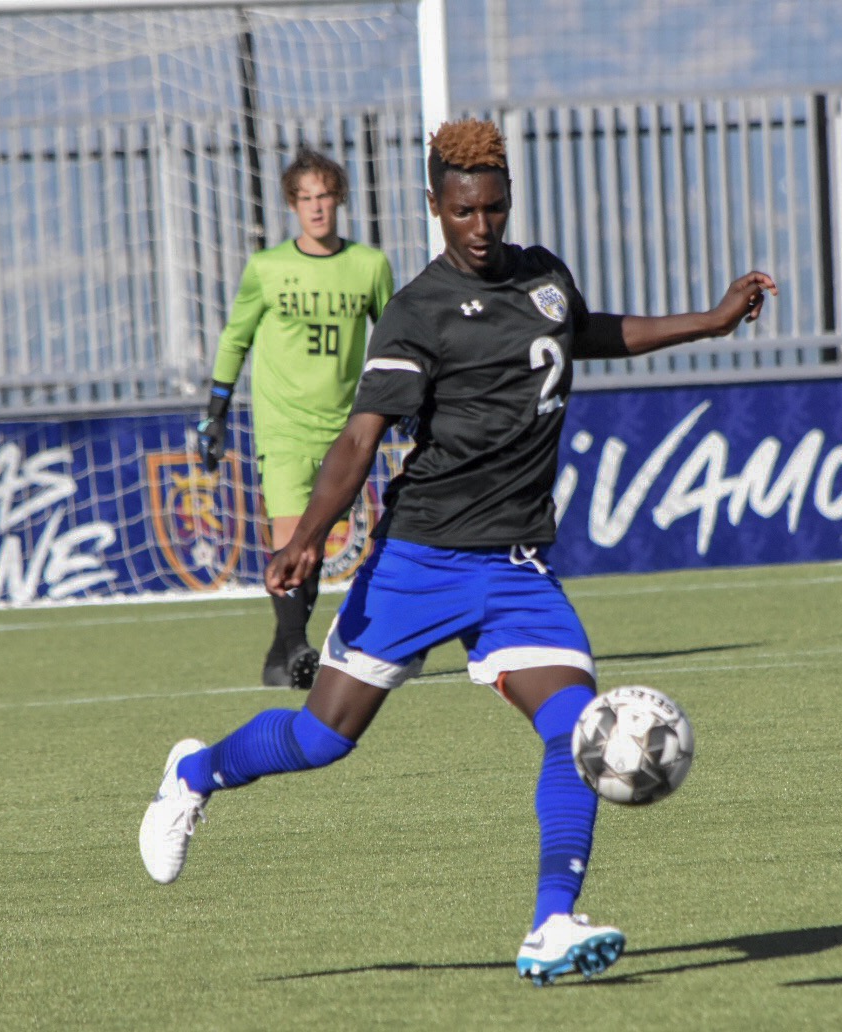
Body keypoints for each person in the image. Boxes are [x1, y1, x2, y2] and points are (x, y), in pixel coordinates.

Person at [143, 118, 776, 986]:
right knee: (324, 738)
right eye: (464, 211)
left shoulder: (542, 276)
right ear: (435, 206)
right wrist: (310, 536)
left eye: (495, 209)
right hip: (420, 558)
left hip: (514, 568)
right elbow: (360, 438)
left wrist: (710, 320)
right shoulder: (419, 311)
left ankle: (552, 923)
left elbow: (586, 332)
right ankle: (194, 773)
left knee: (577, 731)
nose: (481, 227)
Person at [198, 146, 395, 690]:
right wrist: (215, 413)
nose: (317, 207)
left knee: (314, 546)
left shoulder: (370, 266)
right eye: (306, 198)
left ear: (340, 200)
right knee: (291, 538)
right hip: (282, 427)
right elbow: (235, 339)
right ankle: (300, 648)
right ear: (292, 205)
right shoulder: (267, 269)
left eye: (325, 196)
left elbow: (393, 339)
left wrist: (406, 403)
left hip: (344, 431)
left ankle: (281, 656)